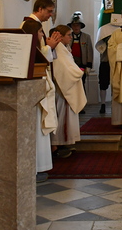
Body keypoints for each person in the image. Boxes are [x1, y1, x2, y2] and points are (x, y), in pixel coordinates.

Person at [21, 0, 61, 183]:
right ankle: (37, 167)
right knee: (38, 126)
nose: (51, 15)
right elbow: (32, 55)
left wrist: (48, 47)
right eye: (49, 11)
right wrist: (49, 48)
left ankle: (41, 166)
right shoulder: (29, 25)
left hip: (40, 81)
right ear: (40, 8)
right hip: (35, 84)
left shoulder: (33, 25)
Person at [49, 25, 88, 156]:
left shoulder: (63, 48)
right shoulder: (59, 49)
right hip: (63, 90)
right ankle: (59, 144)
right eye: (68, 35)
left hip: (65, 88)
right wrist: (79, 72)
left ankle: (62, 143)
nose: (71, 37)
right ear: (60, 36)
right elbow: (63, 69)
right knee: (63, 117)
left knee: (65, 116)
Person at [67, 12, 93, 91]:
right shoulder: (68, 36)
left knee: (81, 84)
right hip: (71, 64)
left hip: (82, 64)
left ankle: (82, 102)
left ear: (81, 26)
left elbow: (90, 51)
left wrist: (89, 65)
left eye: (78, 25)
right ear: (71, 26)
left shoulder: (86, 37)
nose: (76, 27)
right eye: (74, 25)